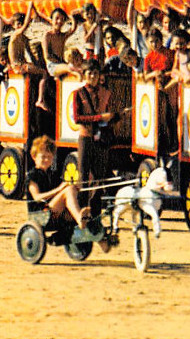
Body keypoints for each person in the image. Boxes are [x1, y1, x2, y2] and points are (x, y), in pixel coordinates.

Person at [72, 59, 124, 190]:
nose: (93, 76)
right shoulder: (78, 93)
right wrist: (100, 117)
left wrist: (115, 116)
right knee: (83, 176)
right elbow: (77, 118)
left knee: (99, 176)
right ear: (84, 74)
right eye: (90, 73)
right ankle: (82, 207)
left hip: (101, 138)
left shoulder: (106, 93)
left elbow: (112, 115)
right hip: (86, 137)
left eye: (95, 73)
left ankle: (96, 209)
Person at [25, 135, 90, 229]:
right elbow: (37, 197)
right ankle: (80, 218)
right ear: (34, 156)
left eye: (49, 157)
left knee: (72, 189)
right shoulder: (32, 175)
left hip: (53, 210)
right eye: (43, 157)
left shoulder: (52, 174)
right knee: (67, 190)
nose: (46, 160)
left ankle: (84, 221)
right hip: (40, 214)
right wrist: (60, 189)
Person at [7, 8, 36, 72]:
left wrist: (36, 63)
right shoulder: (15, 35)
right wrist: (29, 8)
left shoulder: (24, 38)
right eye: (18, 24)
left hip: (22, 64)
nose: (20, 26)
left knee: (39, 67)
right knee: (43, 73)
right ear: (13, 25)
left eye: (22, 24)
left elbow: (30, 53)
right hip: (16, 66)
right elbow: (25, 25)